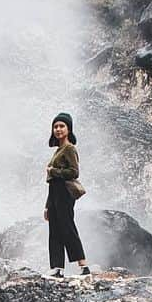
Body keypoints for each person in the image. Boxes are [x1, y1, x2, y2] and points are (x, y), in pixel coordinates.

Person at [44, 112, 90, 278]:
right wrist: (47, 206)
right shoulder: (59, 149)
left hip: (64, 192)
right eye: (55, 126)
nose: (58, 129)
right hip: (55, 192)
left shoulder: (69, 148)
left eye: (61, 126)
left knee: (67, 227)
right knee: (54, 229)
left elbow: (74, 172)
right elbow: (51, 182)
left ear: (69, 129)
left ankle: (83, 266)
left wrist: (53, 170)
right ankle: (57, 268)